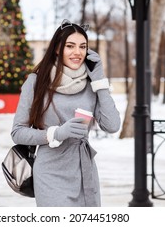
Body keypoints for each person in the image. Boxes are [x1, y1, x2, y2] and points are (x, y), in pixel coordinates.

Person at [11, 19, 120, 207]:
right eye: (70, 46)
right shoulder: (37, 82)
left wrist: (100, 81)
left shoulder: (91, 84)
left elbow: (112, 126)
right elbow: (17, 132)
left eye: (82, 46)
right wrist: (56, 133)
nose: (77, 52)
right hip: (50, 172)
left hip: (84, 171)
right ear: (57, 48)